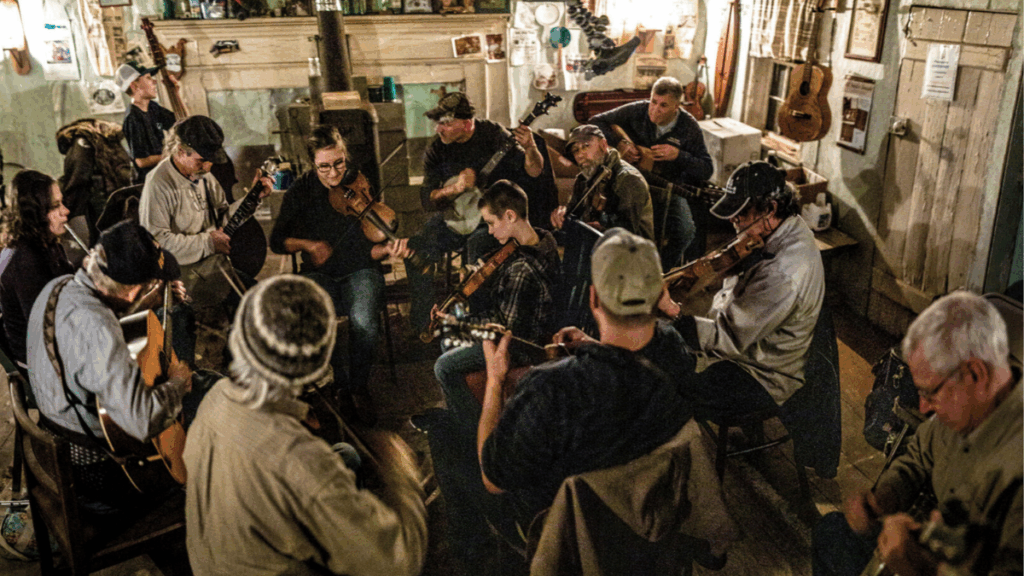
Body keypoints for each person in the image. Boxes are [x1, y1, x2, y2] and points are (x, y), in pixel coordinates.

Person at [444, 228, 693, 569]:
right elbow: (636, 355)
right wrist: (593, 343)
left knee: (448, 439)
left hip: (564, 534)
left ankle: (472, 553)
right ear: (660, 292)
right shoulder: (677, 359)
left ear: (593, 300)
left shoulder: (551, 387)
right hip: (650, 526)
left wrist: (495, 378)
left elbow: (492, 478)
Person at [184, 275, 427, 576]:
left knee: (346, 454)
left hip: (211, 561)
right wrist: (402, 475)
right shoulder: (302, 460)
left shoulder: (216, 398)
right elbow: (398, 563)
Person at [813, 291, 1022, 576]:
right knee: (832, 534)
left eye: (929, 392)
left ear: (976, 374)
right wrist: (880, 500)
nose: (923, 408)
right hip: (945, 543)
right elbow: (918, 458)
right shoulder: (970, 405)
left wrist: (920, 566)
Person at [25, 221, 194, 512]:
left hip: (51, 442)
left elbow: (87, 345)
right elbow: (142, 422)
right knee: (197, 447)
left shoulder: (58, 286)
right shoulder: (100, 330)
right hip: (94, 475)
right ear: (131, 292)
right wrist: (178, 383)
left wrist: (145, 303)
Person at [269, 125, 414, 423]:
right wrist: (309, 244)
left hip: (361, 268)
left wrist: (386, 250)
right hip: (319, 273)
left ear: (346, 157)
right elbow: (277, 240)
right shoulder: (301, 191)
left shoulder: (358, 182)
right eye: (324, 166)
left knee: (364, 322)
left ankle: (357, 387)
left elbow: (368, 244)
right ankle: (339, 383)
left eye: (339, 163)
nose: (334, 173)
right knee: (320, 320)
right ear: (313, 164)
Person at [658, 161, 824, 417]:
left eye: (741, 214)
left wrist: (674, 315)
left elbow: (729, 338)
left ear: (771, 209)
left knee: (664, 384)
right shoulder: (783, 225)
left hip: (763, 374)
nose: (734, 222)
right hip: (751, 344)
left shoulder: (783, 274)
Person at [407, 91, 559, 334]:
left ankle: (477, 325)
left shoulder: (495, 135)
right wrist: (454, 188)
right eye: (438, 123)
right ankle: (425, 321)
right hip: (456, 217)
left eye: (446, 123)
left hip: (490, 223)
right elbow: (427, 198)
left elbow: (533, 171)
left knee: (476, 250)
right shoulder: (438, 148)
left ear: (467, 124)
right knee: (416, 247)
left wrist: (530, 147)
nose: (439, 129)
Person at [429, 179, 560, 426]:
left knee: (443, 367)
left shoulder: (522, 268)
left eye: (491, 223)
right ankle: (471, 408)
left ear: (510, 216)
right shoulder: (542, 239)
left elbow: (503, 330)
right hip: (514, 328)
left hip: (521, 344)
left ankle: (474, 431)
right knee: (450, 339)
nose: (489, 231)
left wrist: (460, 323)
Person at [138, 115, 273, 311]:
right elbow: (157, 243)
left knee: (262, 302)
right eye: (201, 161)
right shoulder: (158, 184)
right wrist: (208, 243)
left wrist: (253, 198)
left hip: (211, 266)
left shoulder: (205, 177)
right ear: (180, 151)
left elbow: (223, 219)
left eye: (211, 161)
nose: (208, 167)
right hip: (179, 277)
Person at [590, 76, 714, 269]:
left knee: (685, 232)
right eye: (653, 102)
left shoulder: (688, 127)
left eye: (663, 105)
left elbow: (706, 169)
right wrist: (620, 144)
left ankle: (659, 273)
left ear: (676, 107)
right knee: (619, 226)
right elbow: (596, 123)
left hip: (667, 187)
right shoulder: (638, 110)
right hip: (631, 183)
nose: (655, 109)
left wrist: (678, 155)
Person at [0, 170, 72, 371]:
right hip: (45, 367)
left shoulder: (46, 243)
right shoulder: (25, 262)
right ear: (34, 213)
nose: (66, 211)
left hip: (60, 346)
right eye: (55, 206)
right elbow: (46, 330)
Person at [549, 124, 655, 240]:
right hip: (596, 244)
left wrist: (602, 224)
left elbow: (627, 229)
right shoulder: (584, 177)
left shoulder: (628, 178)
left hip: (630, 251)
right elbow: (575, 212)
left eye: (586, 146)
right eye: (575, 150)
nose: (580, 155)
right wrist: (563, 212)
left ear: (603, 145)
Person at [117, 62, 177, 185]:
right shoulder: (132, 118)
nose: (154, 82)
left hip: (162, 174)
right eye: (149, 78)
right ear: (134, 86)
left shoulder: (152, 107)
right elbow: (141, 161)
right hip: (150, 182)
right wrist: (174, 156)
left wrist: (175, 92)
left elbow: (181, 122)